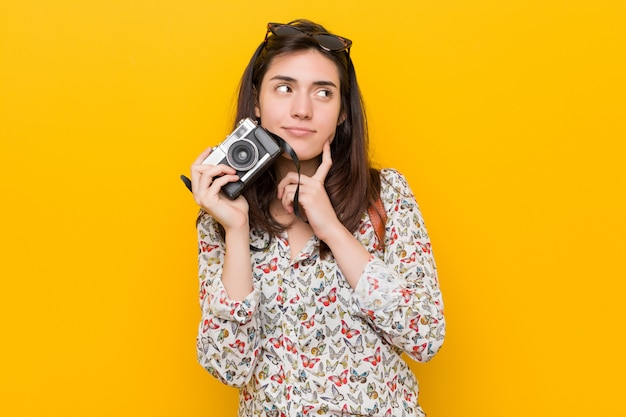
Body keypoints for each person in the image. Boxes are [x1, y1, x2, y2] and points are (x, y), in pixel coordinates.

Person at [189, 19, 445, 417]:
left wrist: (332, 229)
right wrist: (236, 229)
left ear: (343, 112)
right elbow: (229, 368)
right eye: (284, 88)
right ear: (257, 102)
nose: (302, 109)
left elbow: (424, 336)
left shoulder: (385, 195)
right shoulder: (220, 218)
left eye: (323, 93)